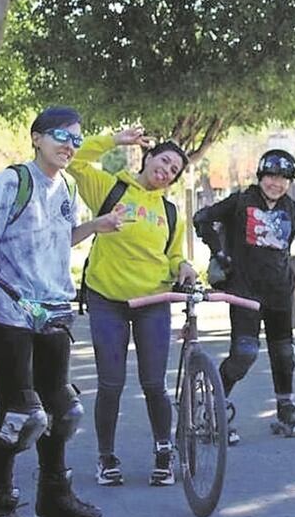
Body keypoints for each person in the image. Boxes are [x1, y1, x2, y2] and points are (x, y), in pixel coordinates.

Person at [0, 107, 123, 517]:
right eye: (61, 135)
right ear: (37, 137)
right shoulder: (12, 181)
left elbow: (60, 239)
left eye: (77, 139)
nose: (69, 145)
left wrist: (94, 227)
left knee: (62, 409)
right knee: (21, 413)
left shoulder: (68, 186)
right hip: (10, 312)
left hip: (55, 310)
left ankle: (54, 496)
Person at [67, 126, 197, 487]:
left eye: (174, 171)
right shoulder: (113, 189)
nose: (167, 171)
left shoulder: (171, 213)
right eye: (165, 161)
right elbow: (75, 160)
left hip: (153, 301)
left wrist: (183, 266)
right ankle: (106, 458)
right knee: (111, 383)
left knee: (154, 383)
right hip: (106, 299)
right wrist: (115, 141)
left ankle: (163, 453)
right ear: (149, 157)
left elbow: (172, 257)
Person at [193, 149, 295, 444]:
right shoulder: (240, 201)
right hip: (244, 290)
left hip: (280, 291)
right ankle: (212, 410)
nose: (276, 183)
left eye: (283, 178)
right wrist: (219, 252)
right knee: (244, 353)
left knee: (285, 353)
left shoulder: (290, 207)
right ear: (261, 177)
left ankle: (285, 406)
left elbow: (284, 246)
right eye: (271, 176)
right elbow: (202, 219)